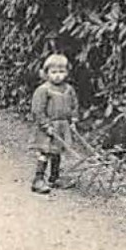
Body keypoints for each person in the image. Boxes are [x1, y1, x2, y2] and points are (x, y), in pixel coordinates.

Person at [30, 53, 80, 194]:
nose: (58, 75)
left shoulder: (69, 89)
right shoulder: (43, 90)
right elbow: (37, 111)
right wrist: (46, 126)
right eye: (54, 72)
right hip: (48, 127)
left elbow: (74, 105)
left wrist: (73, 120)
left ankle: (54, 177)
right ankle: (38, 179)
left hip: (62, 126)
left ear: (67, 73)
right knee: (45, 152)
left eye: (61, 72)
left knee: (57, 152)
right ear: (46, 73)